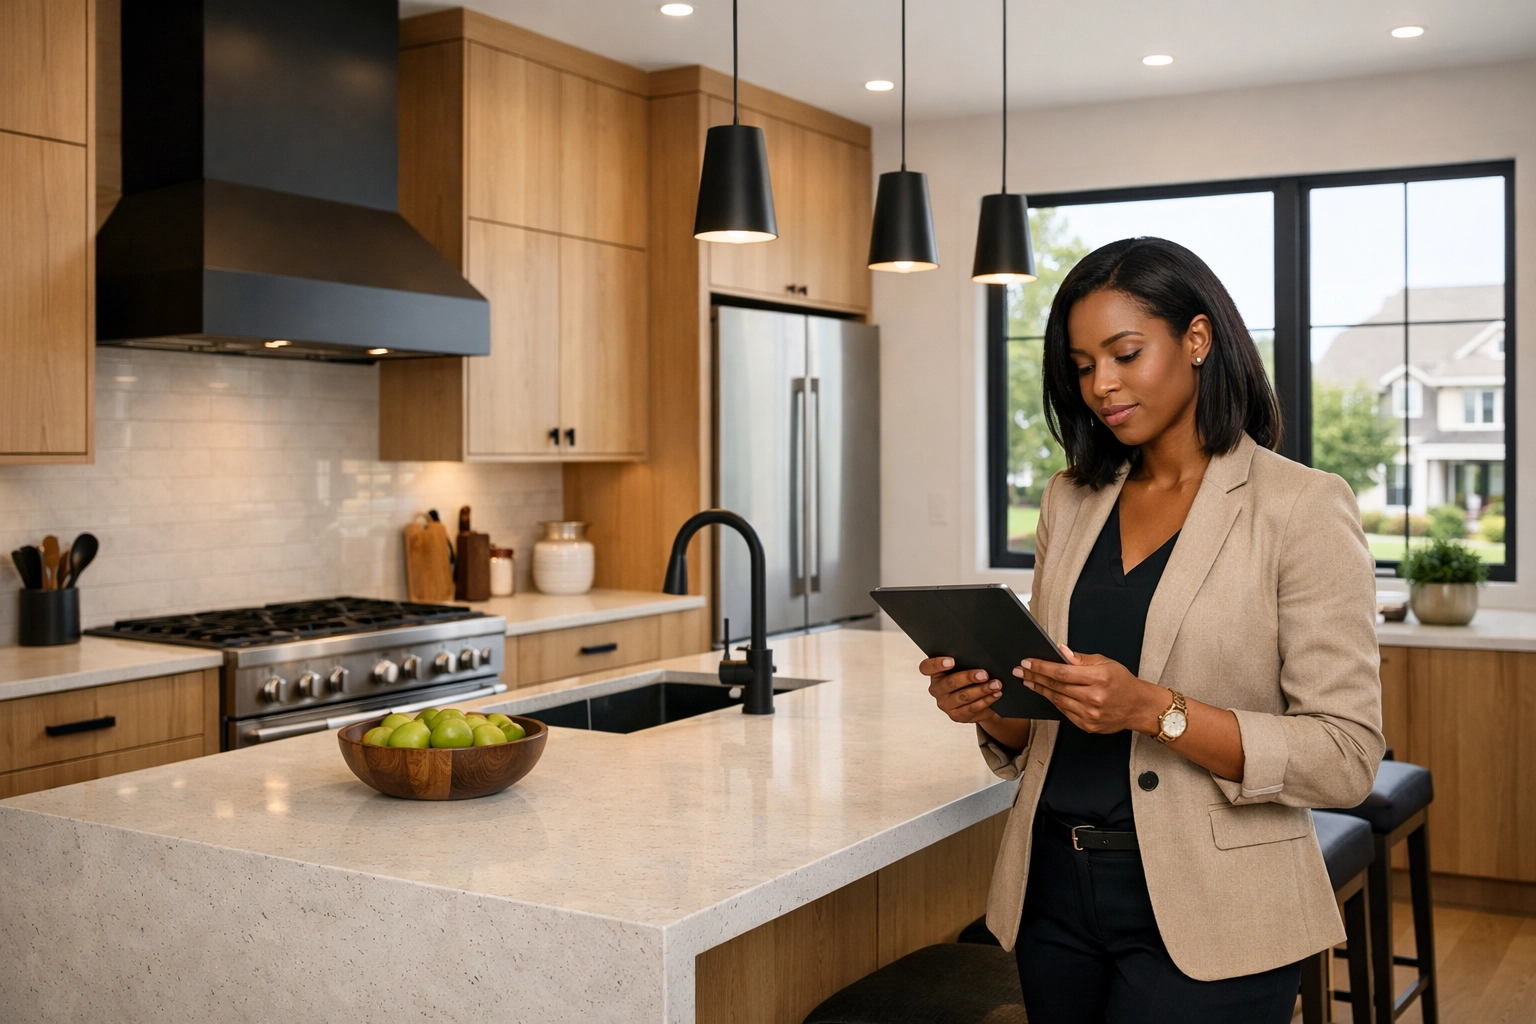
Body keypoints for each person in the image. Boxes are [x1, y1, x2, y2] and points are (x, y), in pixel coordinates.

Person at [922, 237, 1383, 1023]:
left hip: (1216, 905)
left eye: (1125, 353)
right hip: (1054, 897)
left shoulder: (1299, 506)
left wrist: (1154, 710)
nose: (1101, 384)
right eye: (1081, 364)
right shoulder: (1072, 499)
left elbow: (1344, 757)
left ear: (1196, 340)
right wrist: (988, 704)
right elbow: (1050, 719)